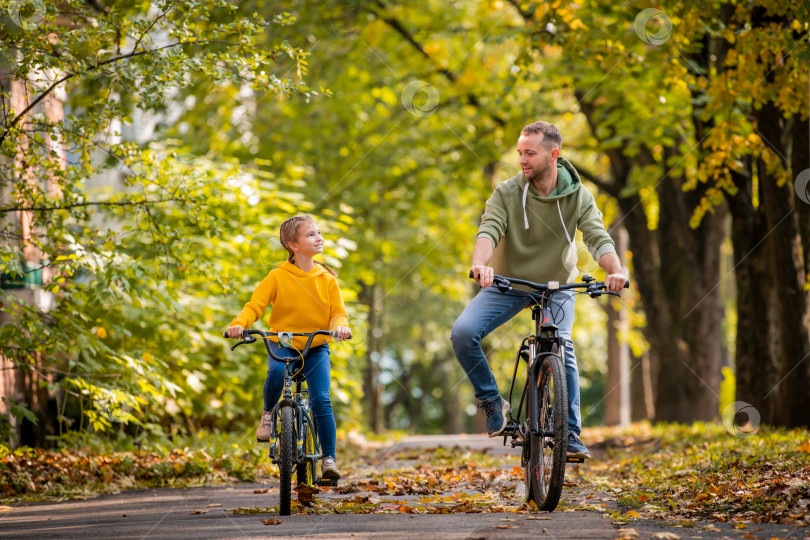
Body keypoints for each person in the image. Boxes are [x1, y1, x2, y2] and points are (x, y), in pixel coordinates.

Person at [450, 121, 626, 459]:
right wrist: (480, 264)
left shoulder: (578, 195)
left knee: (564, 346)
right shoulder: (506, 192)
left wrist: (615, 270)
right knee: (462, 332)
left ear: (553, 154)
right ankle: (491, 402)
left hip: (557, 286)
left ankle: (570, 435)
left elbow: (597, 236)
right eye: (519, 152)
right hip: (508, 284)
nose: (522, 159)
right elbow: (489, 230)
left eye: (529, 153)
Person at [226, 215, 351, 480]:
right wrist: (239, 324)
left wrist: (341, 327)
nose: (319, 238)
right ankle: (268, 416)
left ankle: (329, 458)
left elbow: (338, 314)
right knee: (274, 374)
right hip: (282, 342)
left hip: (316, 346)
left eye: (319, 233)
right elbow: (254, 307)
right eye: (311, 235)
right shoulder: (277, 277)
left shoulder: (327, 279)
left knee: (321, 399)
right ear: (293, 245)